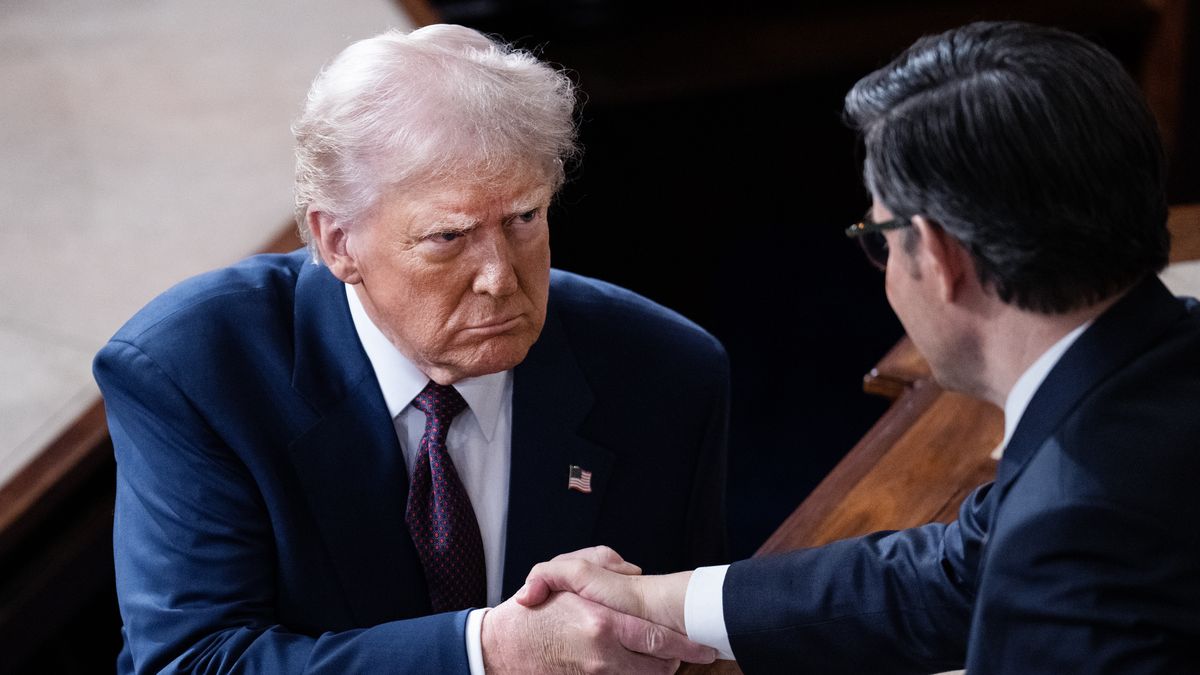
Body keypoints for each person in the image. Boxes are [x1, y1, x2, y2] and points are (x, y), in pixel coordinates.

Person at [517, 20, 1200, 673]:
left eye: (878, 239)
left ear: (935, 255)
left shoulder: (1067, 533)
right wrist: (656, 600)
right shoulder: (1162, 357)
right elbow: (963, 569)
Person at [93, 23, 729, 673]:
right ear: (339, 241)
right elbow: (191, 661)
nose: (500, 277)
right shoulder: (193, 370)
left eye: (524, 218)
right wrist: (488, 651)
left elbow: (683, 645)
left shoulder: (665, 374)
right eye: (448, 238)